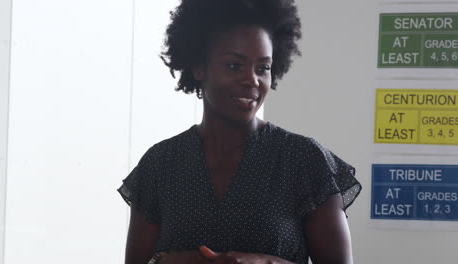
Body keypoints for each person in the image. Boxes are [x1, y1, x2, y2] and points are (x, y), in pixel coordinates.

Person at [117, 0, 362, 263]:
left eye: (263, 68)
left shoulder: (305, 159)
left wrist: (267, 262)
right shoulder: (161, 163)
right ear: (199, 67)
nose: (252, 80)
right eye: (234, 65)